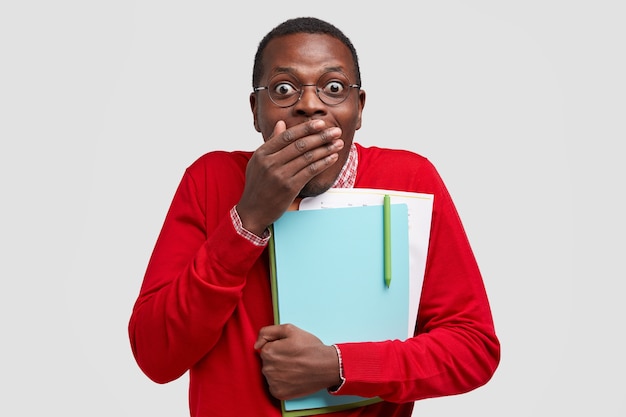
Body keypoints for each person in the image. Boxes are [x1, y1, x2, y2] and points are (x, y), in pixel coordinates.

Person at [128, 16, 500, 417]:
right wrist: (247, 219)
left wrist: (338, 366)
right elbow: (155, 357)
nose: (309, 103)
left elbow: (472, 348)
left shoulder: (410, 179)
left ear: (358, 109)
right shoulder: (208, 181)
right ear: (256, 111)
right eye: (284, 88)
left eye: (334, 87)